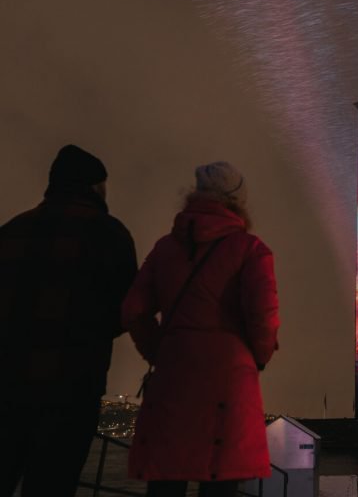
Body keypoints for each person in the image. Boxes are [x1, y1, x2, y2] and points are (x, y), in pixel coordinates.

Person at [122, 162, 280, 497]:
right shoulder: (250, 249)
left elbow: (134, 310)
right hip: (229, 380)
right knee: (220, 479)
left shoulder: (165, 248)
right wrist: (259, 358)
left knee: (166, 475)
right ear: (237, 200)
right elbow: (264, 317)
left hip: (174, 372)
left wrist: (159, 351)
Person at [0, 144, 138, 497]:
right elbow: (126, 310)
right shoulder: (110, 234)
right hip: (72, 388)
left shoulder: (11, 231)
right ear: (94, 187)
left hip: (8, 384)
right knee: (51, 485)